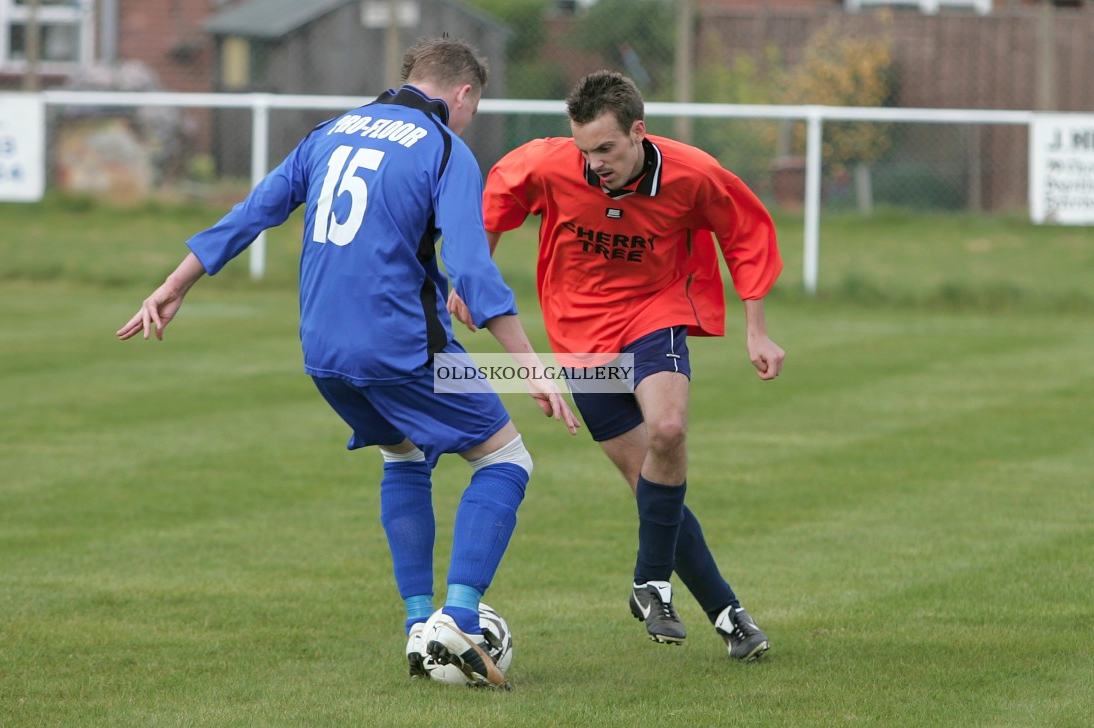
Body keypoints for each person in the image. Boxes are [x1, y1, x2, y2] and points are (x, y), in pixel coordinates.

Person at [116, 37, 577, 690]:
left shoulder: (333, 131)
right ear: (465, 94)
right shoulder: (446, 146)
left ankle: (420, 626)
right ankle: (460, 616)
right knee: (505, 460)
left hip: (321, 350)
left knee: (403, 455)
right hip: (398, 347)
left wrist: (176, 283)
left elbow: (257, 211)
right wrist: (530, 365)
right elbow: (471, 266)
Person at [450, 70, 784, 661]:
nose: (595, 162)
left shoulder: (693, 174)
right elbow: (498, 195)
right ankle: (728, 614)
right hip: (580, 337)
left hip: (657, 314)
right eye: (585, 149)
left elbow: (746, 233)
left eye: (606, 148)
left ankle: (649, 580)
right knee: (649, 488)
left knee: (670, 429)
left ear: (638, 132)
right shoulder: (551, 164)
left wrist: (756, 330)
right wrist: (474, 276)